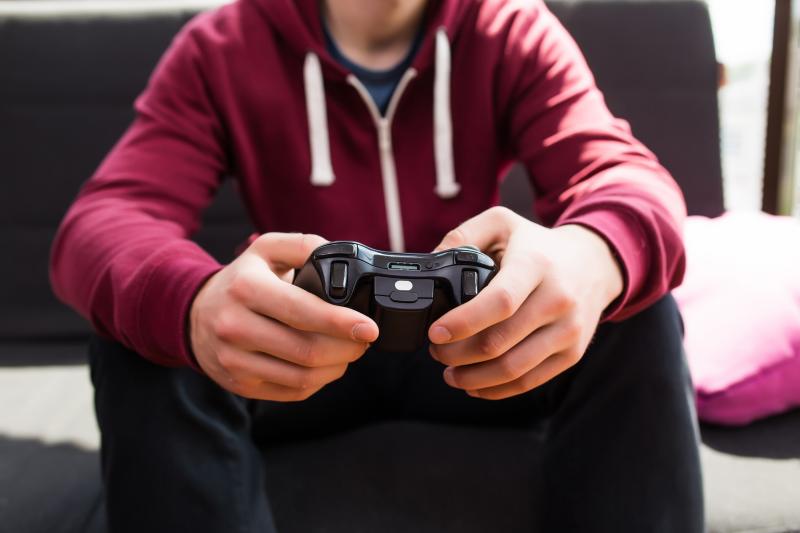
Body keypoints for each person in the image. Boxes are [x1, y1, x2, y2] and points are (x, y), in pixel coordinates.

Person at [50, 0, 704, 531]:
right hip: (302, 353)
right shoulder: (220, 47)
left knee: (635, 306)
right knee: (147, 330)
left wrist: (590, 257)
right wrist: (191, 304)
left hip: (478, 346)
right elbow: (107, 218)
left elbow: (622, 175)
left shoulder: (509, 27)